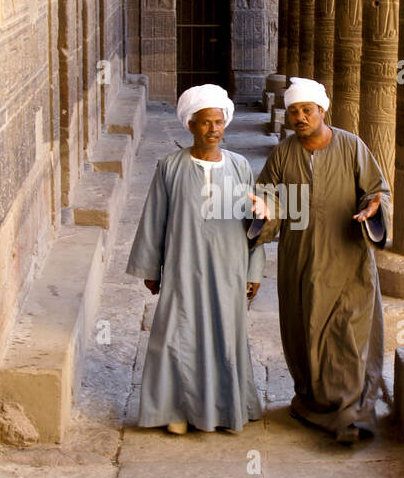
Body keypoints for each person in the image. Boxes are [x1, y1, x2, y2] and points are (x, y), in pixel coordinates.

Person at [249, 78, 390, 445]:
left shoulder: (352, 146)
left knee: (348, 333)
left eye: (307, 110)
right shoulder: (283, 154)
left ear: (322, 110)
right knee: (305, 331)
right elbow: (269, 197)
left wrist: (373, 207)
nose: (300, 117)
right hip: (301, 261)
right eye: (294, 111)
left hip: (348, 259)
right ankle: (312, 403)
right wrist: (265, 209)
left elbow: (376, 191)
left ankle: (352, 413)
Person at [125, 84, 264, 435]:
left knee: (224, 334)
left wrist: (254, 270)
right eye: (205, 122)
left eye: (218, 122)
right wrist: (150, 268)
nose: (213, 129)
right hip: (182, 266)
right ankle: (176, 409)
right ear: (190, 125)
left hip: (229, 269)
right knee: (177, 334)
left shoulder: (240, 166)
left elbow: (254, 224)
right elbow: (155, 218)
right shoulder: (169, 167)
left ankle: (223, 408)